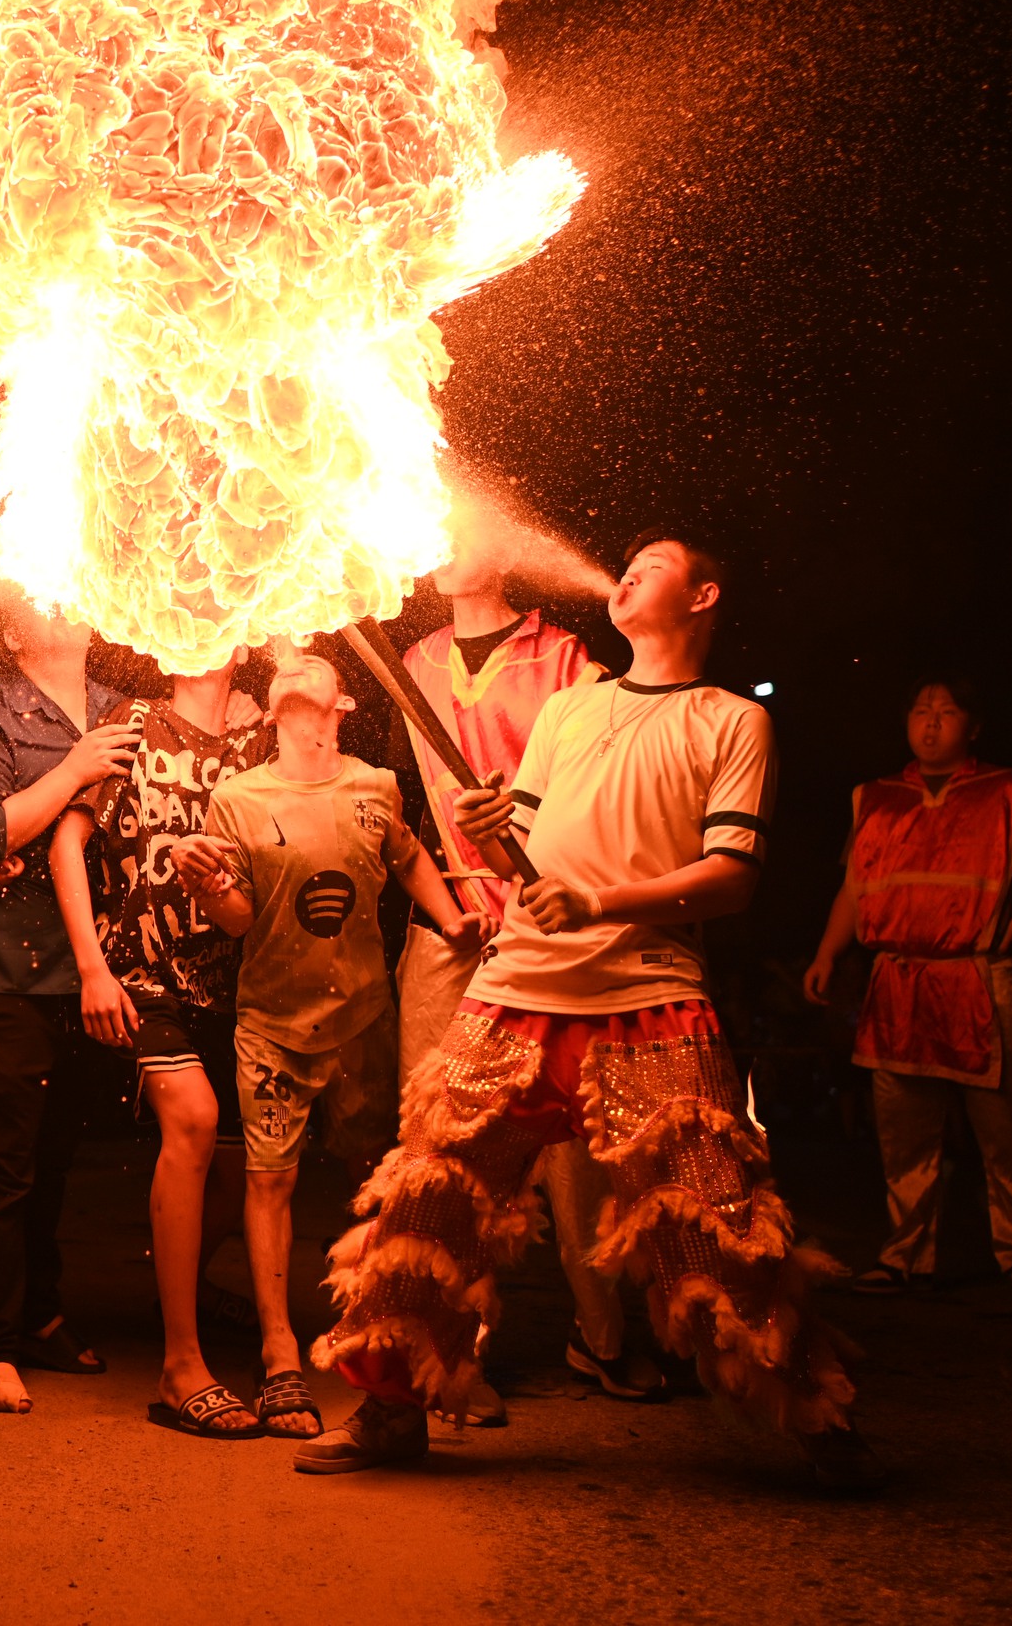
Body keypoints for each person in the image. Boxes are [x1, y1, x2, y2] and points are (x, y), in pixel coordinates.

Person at [304, 534, 878, 1490]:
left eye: (653, 562)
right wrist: (491, 831)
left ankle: (820, 1416)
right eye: (627, 562)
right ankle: (392, 1409)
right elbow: (519, 850)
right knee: (427, 1200)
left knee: (718, 1219)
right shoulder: (571, 706)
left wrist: (600, 901)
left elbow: (732, 874)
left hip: (648, 993)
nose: (629, 569)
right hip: (518, 988)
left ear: (703, 595)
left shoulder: (732, 720)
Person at [172, 647, 491, 1441]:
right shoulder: (237, 797)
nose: (293, 663)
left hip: (363, 1021)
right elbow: (239, 919)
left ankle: (386, 1340)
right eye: (284, 664)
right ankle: (279, 1352)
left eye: (313, 663)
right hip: (272, 1027)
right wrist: (207, 886)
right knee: (270, 1181)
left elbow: (407, 856)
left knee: (374, 1180)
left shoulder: (375, 785)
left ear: (343, 703)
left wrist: (452, 921)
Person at [390, 542, 662, 1410]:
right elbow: (411, 802)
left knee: (574, 1140)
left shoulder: (569, 660)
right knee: (442, 1135)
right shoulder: (414, 659)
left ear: (503, 553)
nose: (443, 547)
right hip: (451, 920)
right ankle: (453, 1349)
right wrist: (446, 906)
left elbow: (597, 785)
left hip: (546, 916)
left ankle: (602, 1333)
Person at [801, 677, 1012, 1310]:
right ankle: (906, 1256)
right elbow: (855, 884)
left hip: (978, 975)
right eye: (921, 711)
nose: (931, 722)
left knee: (1006, 1130)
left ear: (973, 726)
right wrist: (827, 951)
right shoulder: (875, 796)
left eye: (947, 711)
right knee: (903, 1132)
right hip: (896, 980)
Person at [51, 645, 273, 1437]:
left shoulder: (260, 740)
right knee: (193, 1119)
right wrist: (91, 968)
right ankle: (181, 1365)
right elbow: (67, 843)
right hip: (139, 973)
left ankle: (180, 1287)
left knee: (239, 1168)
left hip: (233, 981)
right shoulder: (135, 721)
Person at [0, 601, 140, 1414]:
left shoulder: (119, 707)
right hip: (0, 973)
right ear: (11, 632)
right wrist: (74, 770)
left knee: (53, 1160)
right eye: (45, 600)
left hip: (93, 974)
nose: (68, 605)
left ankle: (38, 1314)